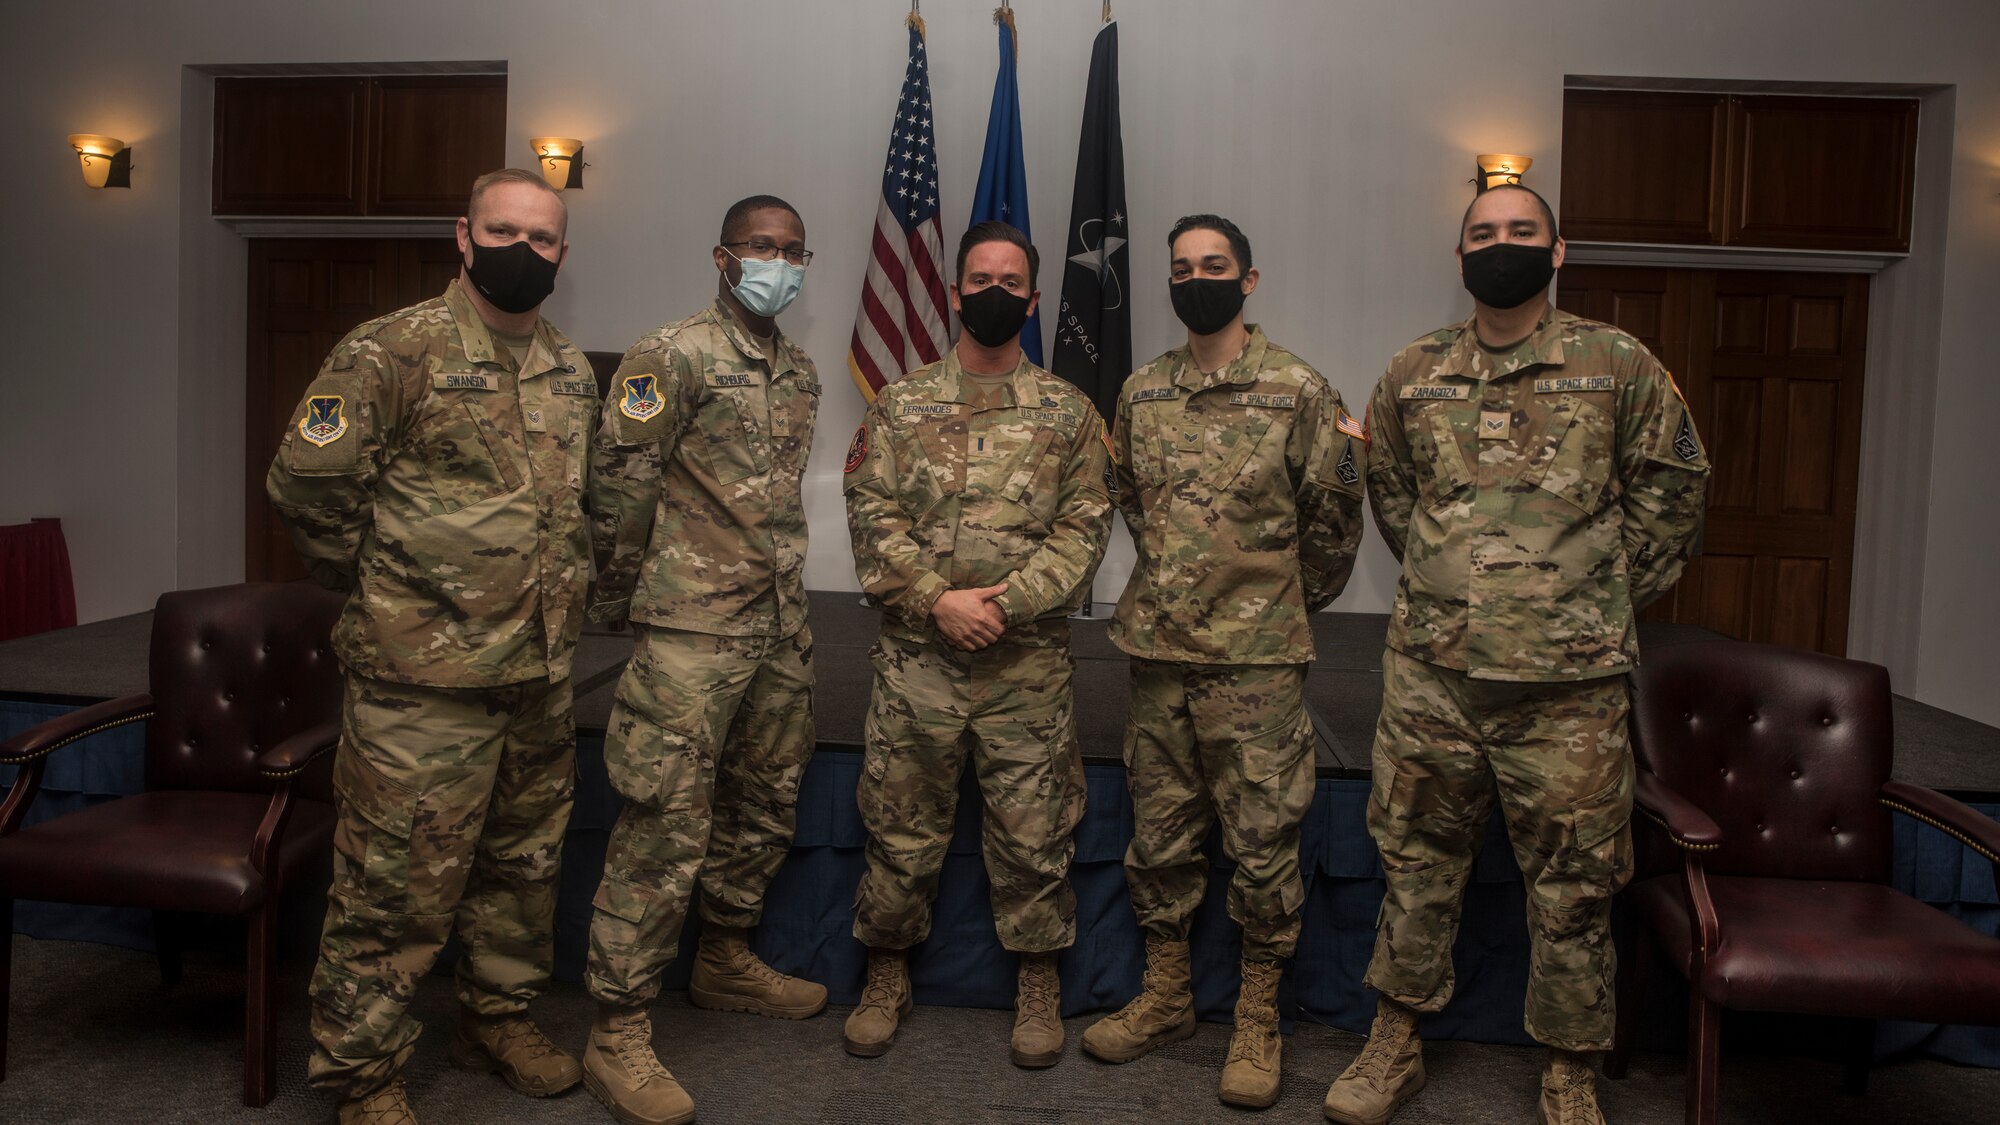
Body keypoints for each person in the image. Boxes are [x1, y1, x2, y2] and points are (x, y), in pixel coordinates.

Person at [1323, 183, 1710, 1125]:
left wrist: (1586, 595)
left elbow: (1674, 497)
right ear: (1460, 258)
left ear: (1558, 250)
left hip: (1568, 687)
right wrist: (1466, 591)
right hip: (1436, 677)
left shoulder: (1617, 364)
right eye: (1484, 234)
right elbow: (1396, 499)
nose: (1503, 245)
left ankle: (1570, 1069)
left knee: (1575, 881)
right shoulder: (1414, 371)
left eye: (1521, 232)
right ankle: (1397, 1039)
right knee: (1413, 862)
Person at [267, 167, 596, 1124]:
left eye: (541, 240)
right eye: (503, 231)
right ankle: (361, 1072)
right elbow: (306, 489)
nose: (521, 251)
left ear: (562, 256)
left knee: (520, 870)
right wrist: (390, 586)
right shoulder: (391, 351)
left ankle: (495, 1017)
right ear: (463, 235)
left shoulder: (570, 369)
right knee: (394, 885)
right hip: (422, 685)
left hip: (535, 676)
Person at [1082, 214, 1366, 1109]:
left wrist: (1269, 603)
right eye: (1180, 267)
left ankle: (1255, 1014)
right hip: (1160, 656)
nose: (1194, 277)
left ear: (1249, 280)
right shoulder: (1142, 391)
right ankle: (1166, 995)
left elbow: (1333, 527)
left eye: (1213, 265)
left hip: (1256, 665)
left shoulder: (1298, 390)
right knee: (1160, 837)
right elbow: (1131, 502)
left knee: (1262, 842)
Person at [840, 220, 1113, 1067]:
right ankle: (885, 970)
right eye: (980, 280)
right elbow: (869, 516)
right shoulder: (901, 402)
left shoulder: (1069, 413)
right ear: (956, 293)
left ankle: (1038, 979)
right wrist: (936, 601)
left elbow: (1086, 531)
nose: (994, 293)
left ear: (1033, 301)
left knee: (1035, 832)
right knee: (898, 826)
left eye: (1010, 282)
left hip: (1024, 667)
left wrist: (1004, 606)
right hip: (918, 663)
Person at [579, 194, 823, 1125]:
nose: (779, 261)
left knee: (762, 804)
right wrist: (622, 605)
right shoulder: (670, 353)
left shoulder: (797, 369)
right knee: (662, 823)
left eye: (795, 250)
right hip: (688, 631)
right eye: (763, 246)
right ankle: (616, 1029)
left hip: (777, 627)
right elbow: (619, 490)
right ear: (723, 256)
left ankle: (723, 959)